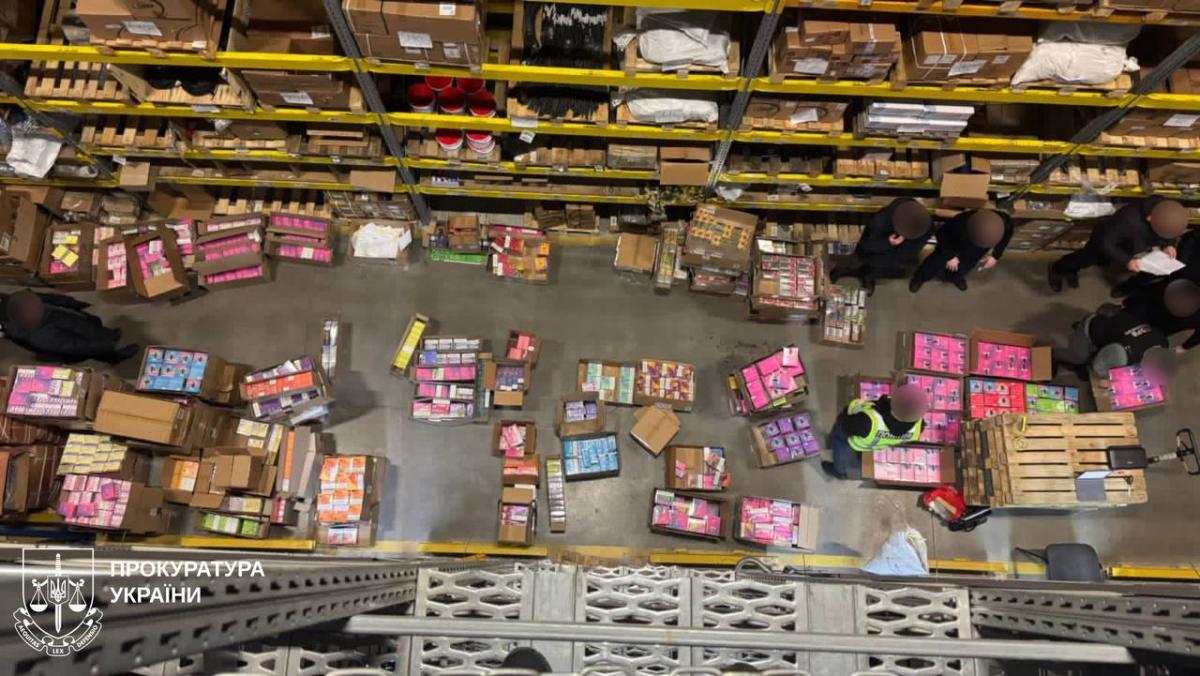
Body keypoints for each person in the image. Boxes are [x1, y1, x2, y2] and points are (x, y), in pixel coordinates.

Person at [1048, 197, 1189, 293]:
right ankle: (1058, 269)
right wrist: (1127, 260)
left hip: (1128, 244)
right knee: (1086, 258)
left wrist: (1169, 245)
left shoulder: (1169, 211)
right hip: (1105, 239)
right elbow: (1106, 243)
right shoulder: (1128, 219)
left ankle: (1072, 270)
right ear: (1149, 218)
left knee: (1102, 261)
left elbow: (1170, 231)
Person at [0, 289, 139, 364]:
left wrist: (71, 303)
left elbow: (48, 298)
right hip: (78, 340)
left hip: (70, 318)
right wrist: (103, 345)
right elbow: (77, 346)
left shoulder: (15, 302)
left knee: (93, 327)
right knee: (97, 349)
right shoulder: (41, 336)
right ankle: (115, 357)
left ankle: (108, 334)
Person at [829, 198, 932, 296]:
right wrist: (888, 242)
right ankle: (840, 270)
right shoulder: (880, 221)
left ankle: (867, 276)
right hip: (872, 248)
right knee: (855, 260)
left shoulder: (924, 226)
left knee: (877, 267)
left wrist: (896, 255)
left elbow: (909, 252)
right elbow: (868, 243)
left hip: (890, 257)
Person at [823, 384, 928, 480]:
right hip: (874, 444)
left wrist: (844, 415)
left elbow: (845, 425)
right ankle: (856, 459)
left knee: (840, 439)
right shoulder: (919, 428)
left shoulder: (868, 421)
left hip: (857, 442)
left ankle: (839, 470)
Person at [1052, 302, 1169, 379]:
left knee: (1103, 352)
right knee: (1078, 357)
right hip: (1092, 327)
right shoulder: (1123, 355)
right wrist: (1110, 380)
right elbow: (1098, 368)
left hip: (1115, 322)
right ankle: (1052, 354)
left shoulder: (1162, 341)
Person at [909, 209, 1011, 293]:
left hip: (975, 251)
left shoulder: (1005, 224)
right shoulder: (962, 221)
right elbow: (941, 234)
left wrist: (995, 256)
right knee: (934, 262)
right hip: (953, 244)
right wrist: (950, 256)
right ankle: (920, 278)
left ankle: (954, 277)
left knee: (965, 266)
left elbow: (1005, 238)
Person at [1123, 278, 1200, 354]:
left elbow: (1157, 288)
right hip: (1161, 320)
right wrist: (1185, 347)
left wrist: (1130, 301)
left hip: (1153, 312)